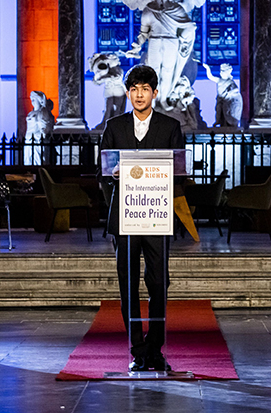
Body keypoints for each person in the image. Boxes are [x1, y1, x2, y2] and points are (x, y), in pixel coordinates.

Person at [100, 65, 186, 372]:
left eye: (145, 89)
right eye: (134, 89)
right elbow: (104, 173)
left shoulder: (169, 127)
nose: (139, 95)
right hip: (124, 217)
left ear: (155, 93)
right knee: (127, 284)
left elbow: (179, 173)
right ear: (127, 93)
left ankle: (155, 348)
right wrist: (114, 181)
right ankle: (137, 350)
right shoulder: (113, 126)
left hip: (157, 217)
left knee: (159, 282)